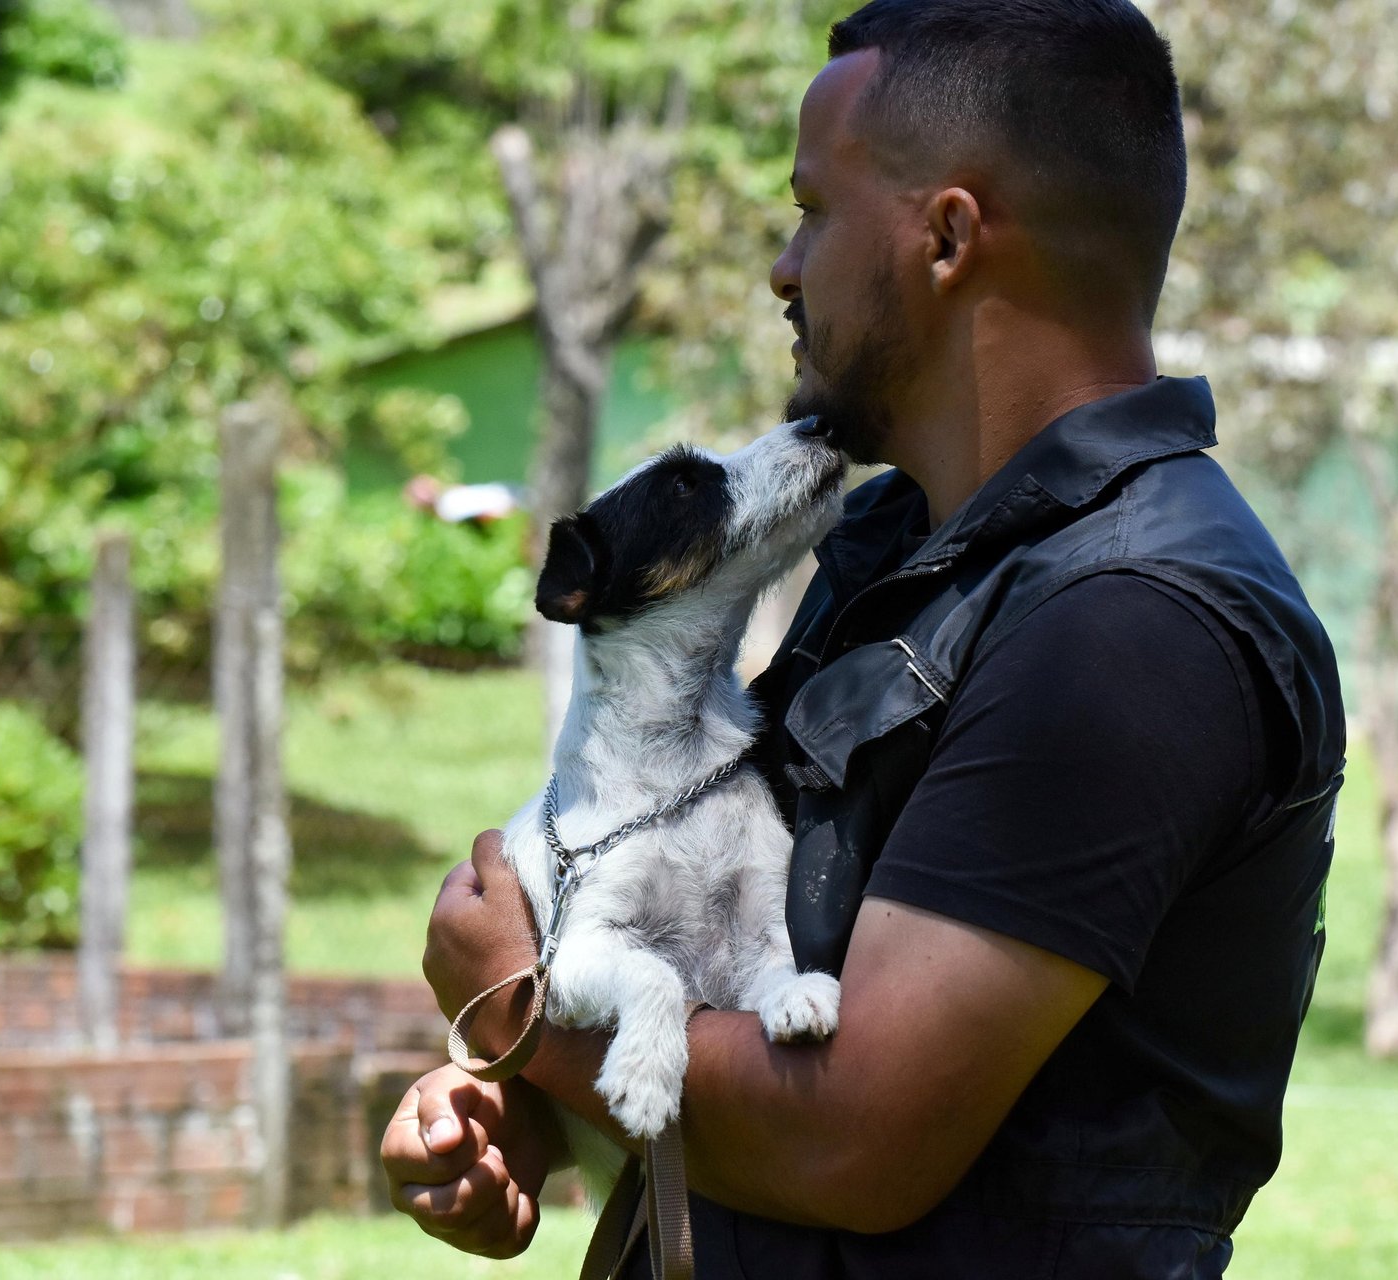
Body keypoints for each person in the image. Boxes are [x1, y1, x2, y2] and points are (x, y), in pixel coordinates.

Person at [383, 0, 1347, 1275]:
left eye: (810, 211)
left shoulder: (1129, 625)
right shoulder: (899, 544)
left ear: (947, 235)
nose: (784, 270)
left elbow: (856, 1137)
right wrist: (532, 1114)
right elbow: (754, 987)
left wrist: (512, 1007)